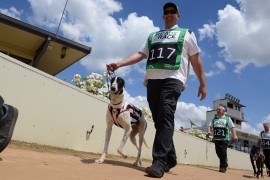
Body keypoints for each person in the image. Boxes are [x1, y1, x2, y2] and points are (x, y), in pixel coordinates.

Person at [106, 2, 207, 178]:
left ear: (178, 15)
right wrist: (119, 63)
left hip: (174, 80)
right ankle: (171, 157)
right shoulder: (153, 36)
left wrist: (202, 83)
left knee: (166, 114)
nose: (169, 14)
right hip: (153, 81)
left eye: (172, 11)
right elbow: (140, 54)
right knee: (160, 121)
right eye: (166, 12)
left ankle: (159, 162)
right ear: (163, 16)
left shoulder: (187, 34)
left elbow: (195, 59)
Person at [207, 104, 238, 173]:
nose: (217, 110)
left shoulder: (227, 118)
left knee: (223, 152)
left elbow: (232, 127)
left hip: (224, 139)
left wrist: (235, 135)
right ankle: (225, 162)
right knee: (218, 152)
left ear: (223, 111)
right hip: (216, 139)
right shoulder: (214, 118)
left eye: (219, 109)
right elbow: (209, 126)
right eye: (217, 109)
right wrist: (209, 131)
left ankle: (223, 167)